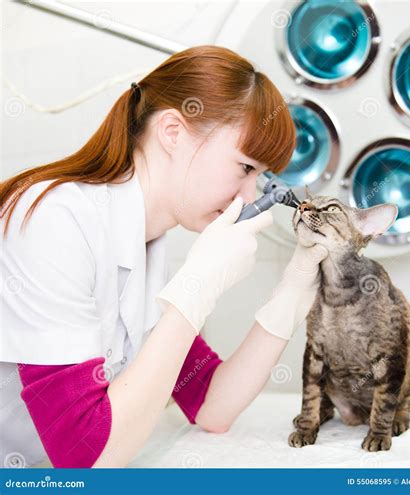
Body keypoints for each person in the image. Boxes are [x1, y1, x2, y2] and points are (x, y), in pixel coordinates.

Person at [0, 45, 328, 468]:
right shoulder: (52, 221)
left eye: (262, 178)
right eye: (246, 168)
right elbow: (85, 456)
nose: (251, 197)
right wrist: (197, 288)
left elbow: (211, 403)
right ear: (172, 131)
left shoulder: (147, 246)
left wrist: (293, 290)